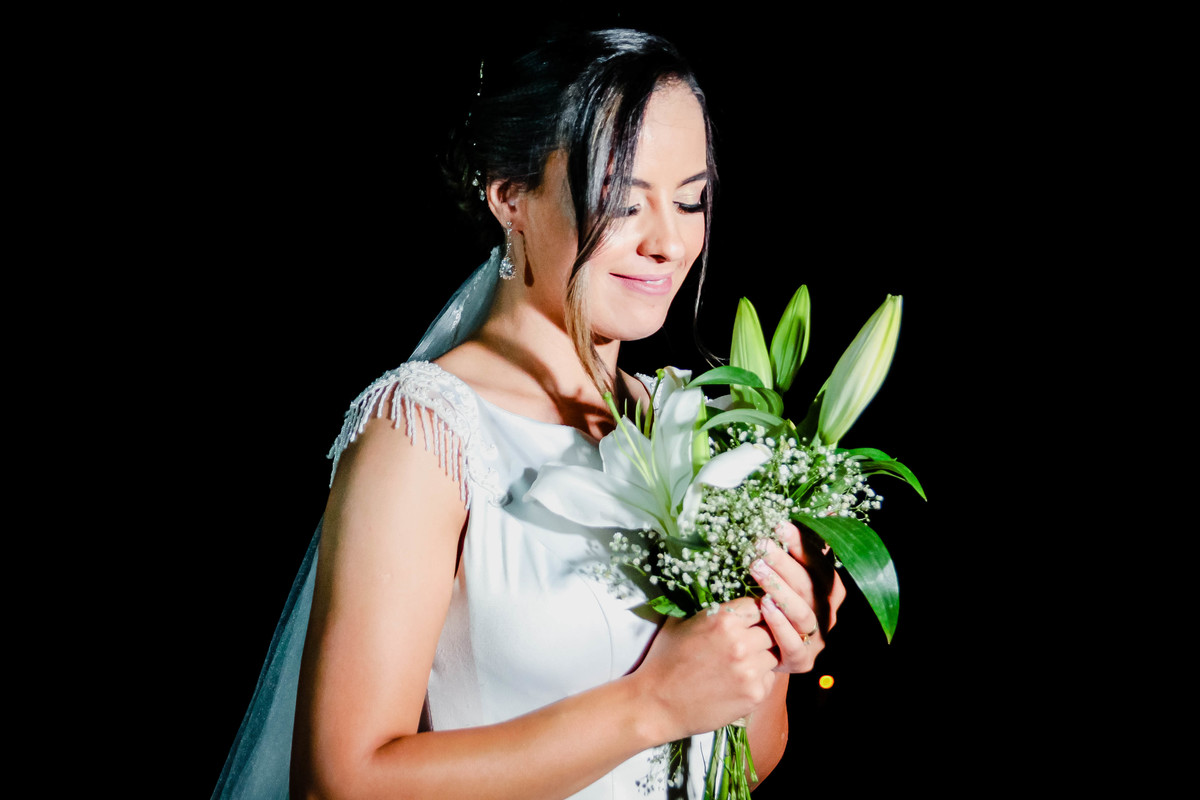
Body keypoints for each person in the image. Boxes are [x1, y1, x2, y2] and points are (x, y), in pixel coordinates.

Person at [213, 29, 845, 800]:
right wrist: (649, 704)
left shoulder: (693, 426)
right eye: (623, 199)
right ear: (510, 195)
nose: (668, 241)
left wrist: (774, 652)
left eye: (690, 200)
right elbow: (340, 782)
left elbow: (745, 762)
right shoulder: (426, 433)